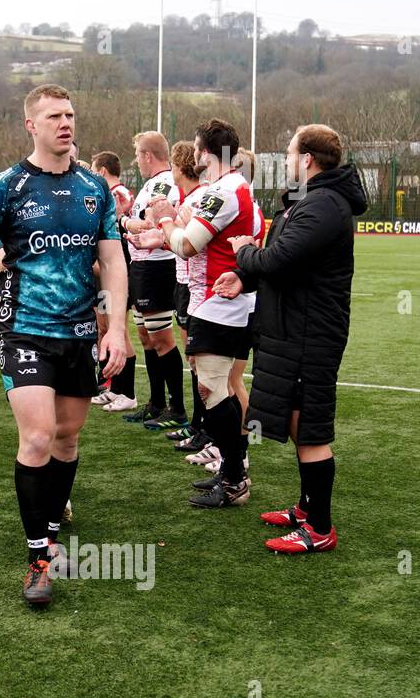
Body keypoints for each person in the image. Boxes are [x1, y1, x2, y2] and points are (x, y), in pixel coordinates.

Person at [0, 84, 129, 607]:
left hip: (79, 334)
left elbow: (113, 262)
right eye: (53, 116)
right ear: (31, 124)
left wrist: (115, 328)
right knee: (38, 438)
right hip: (25, 331)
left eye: (69, 114)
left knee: (68, 440)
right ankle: (38, 559)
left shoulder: (95, 189)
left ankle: (51, 520)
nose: (64, 123)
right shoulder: (6, 187)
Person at [219, 123, 365, 553]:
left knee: (311, 429)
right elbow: (285, 266)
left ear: (306, 160)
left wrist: (244, 250)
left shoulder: (324, 205)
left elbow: (280, 259)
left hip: (310, 333)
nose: (284, 161)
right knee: (301, 422)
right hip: (294, 329)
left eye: (288, 154)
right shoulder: (311, 201)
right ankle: (305, 507)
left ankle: (319, 529)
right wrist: (243, 277)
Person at [145, 118, 264, 508]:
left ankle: (233, 477)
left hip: (220, 304)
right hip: (220, 302)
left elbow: (186, 246)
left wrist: (163, 215)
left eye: (197, 149)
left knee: (213, 388)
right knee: (215, 386)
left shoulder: (226, 191)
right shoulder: (231, 188)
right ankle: (233, 470)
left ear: (206, 153)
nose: (194, 155)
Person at [119, 132, 187, 429]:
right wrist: (126, 218)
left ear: (148, 155)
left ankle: (177, 407)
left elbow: (150, 221)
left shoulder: (164, 182)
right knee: (146, 336)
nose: (136, 160)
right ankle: (157, 402)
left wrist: (126, 221)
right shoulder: (151, 184)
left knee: (161, 338)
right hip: (141, 266)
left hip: (157, 267)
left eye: (137, 154)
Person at [161, 140, 210, 454]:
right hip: (185, 283)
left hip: (196, 287)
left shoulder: (197, 199)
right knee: (195, 363)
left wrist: (167, 223)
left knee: (201, 365)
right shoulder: (187, 197)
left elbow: (191, 243)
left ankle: (205, 429)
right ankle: (198, 425)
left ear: (178, 167)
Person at [90, 151, 138, 413]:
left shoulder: (118, 194)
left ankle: (126, 392)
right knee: (106, 328)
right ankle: (115, 387)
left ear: (104, 171)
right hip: (102, 277)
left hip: (115, 275)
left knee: (118, 331)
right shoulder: (109, 195)